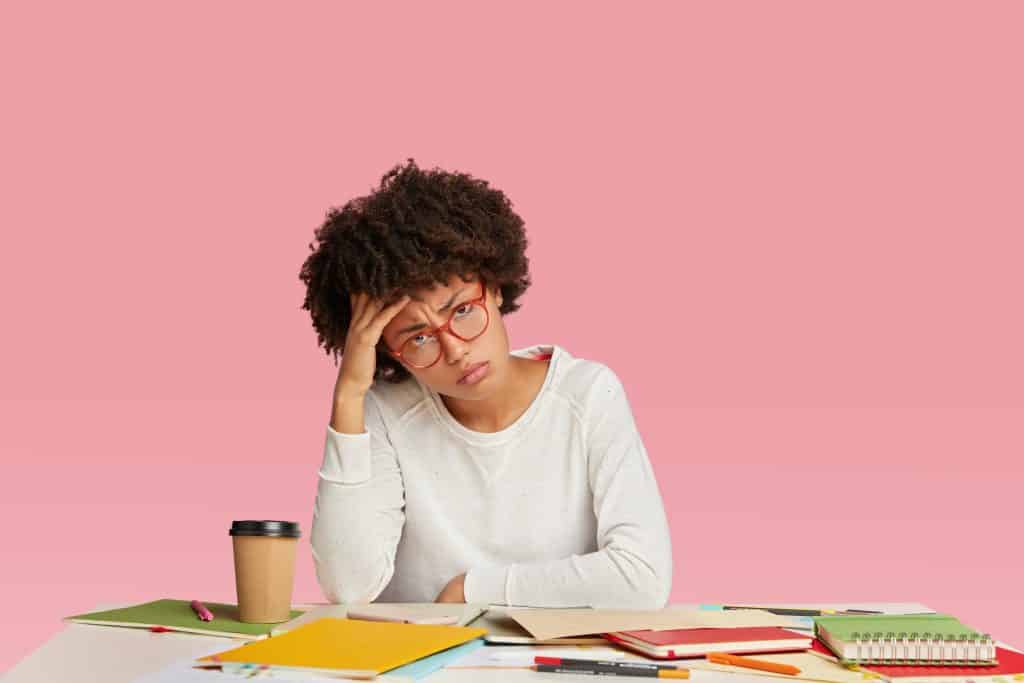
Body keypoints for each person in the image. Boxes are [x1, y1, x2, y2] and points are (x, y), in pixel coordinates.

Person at [298, 158, 672, 608]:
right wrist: (350, 394)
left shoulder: (588, 395)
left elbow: (643, 576)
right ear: (386, 352)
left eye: (462, 311)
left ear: (494, 287)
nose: (455, 350)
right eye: (418, 338)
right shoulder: (385, 411)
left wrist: (473, 590)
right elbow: (347, 587)